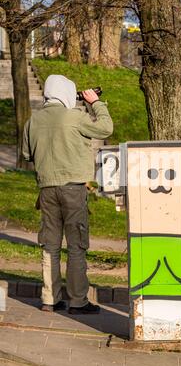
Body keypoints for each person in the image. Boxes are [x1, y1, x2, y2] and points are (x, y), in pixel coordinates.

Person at [22, 74, 113, 314]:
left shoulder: (33, 121)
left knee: (50, 246)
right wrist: (96, 103)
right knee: (76, 245)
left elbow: (26, 155)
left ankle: (49, 299)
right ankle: (78, 301)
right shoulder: (75, 116)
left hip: (46, 190)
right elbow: (106, 128)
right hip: (73, 188)